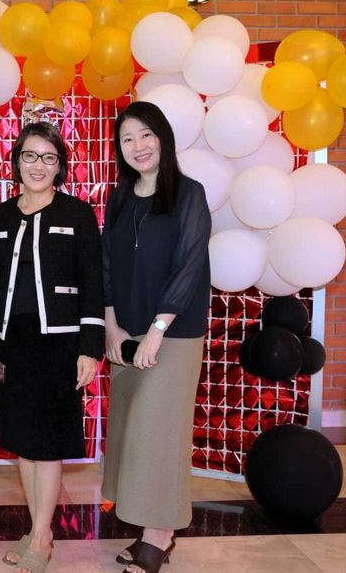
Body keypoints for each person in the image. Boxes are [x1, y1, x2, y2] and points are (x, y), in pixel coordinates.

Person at [0, 122, 104, 573]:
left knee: (47, 444)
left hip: (60, 345)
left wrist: (90, 348)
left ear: (60, 167)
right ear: (16, 161)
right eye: (30, 156)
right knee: (23, 441)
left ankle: (43, 537)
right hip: (13, 345)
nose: (38, 166)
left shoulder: (78, 214)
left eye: (49, 158)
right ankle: (37, 528)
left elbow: (93, 285)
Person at [100, 101, 211, 573]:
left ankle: (160, 536)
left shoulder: (188, 194)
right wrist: (112, 327)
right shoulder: (119, 197)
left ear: (163, 138)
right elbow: (106, 266)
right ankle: (150, 527)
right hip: (125, 333)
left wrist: (156, 331)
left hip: (174, 335)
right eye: (127, 139)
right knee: (132, 431)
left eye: (146, 135)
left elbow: (189, 266)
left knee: (158, 433)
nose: (138, 146)